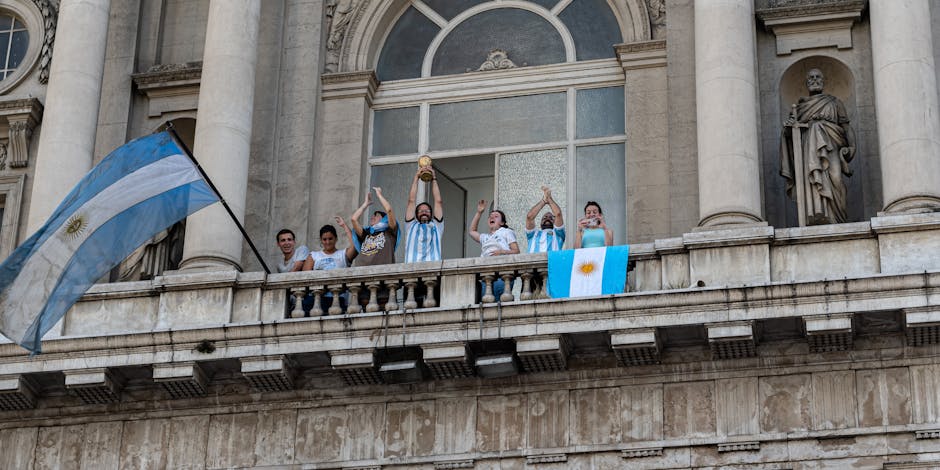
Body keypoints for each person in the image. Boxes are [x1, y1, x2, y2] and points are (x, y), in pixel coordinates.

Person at [780, 68, 856, 225]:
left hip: (832, 145)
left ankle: (837, 217)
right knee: (813, 179)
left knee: (836, 178)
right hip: (810, 149)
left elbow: (846, 127)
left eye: (818, 77)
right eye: (811, 77)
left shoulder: (835, 103)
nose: (814, 80)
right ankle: (817, 214)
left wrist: (852, 146)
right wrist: (788, 129)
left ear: (823, 81)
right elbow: (790, 135)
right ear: (807, 83)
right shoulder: (800, 108)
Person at [302, 217, 357, 314]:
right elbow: (305, 278)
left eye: (330, 238)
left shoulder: (342, 254)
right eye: (324, 239)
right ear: (321, 240)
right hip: (315, 299)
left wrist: (344, 226)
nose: (327, 242)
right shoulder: (314, 256)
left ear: (336, 238)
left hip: (337, 298)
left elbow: (355, 245)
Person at [469, 199, 519, 300]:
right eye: (490, 217)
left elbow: (516, 251)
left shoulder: (506, 232)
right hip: (486, 276)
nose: (492, 218)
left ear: (502, 222)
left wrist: (501, 252)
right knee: (487, 306)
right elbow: (472, 231)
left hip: (503, 274)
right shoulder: (485, 237)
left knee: (501, 303)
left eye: (496, 216)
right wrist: (479, 212)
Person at [350, 187, 399, 267]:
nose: (372, 217)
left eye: (376, 215)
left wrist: (379, 195)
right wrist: (365, 204)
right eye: (372, 215)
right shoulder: (367, 234)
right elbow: (353, 219)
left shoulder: (389, 232)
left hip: (381, 274)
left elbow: (389, 210)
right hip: (361, 274)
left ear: (384, 219)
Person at [404, 166, 444, 263]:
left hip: (432, 272)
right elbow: (411, 201)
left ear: (431, 214)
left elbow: (438, 201)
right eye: (421, 211)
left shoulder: (437, 226)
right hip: (411, 271)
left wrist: (433, 178)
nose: (424, 212)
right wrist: (416, 177)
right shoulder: (411, 226)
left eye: (427, 210)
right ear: (416, 215)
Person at [524, 185, 565, 253]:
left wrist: (549, 199)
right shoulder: (533, 234)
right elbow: (529, 217)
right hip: (533, 262)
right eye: (545, 217)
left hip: (552, 262)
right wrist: (543, 200)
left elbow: (558, 214)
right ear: (540, 223)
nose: (547, 219)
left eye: (551, 217)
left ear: (555, 222)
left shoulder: (558, 233)